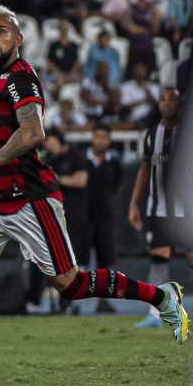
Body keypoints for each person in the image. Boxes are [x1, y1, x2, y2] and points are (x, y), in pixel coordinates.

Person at [0, 6, 188, 384]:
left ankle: (161, 297)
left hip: (30, 198)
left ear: (18, 39)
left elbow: (33, 133)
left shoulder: (21, 78)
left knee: (71, 285)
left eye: (2, 31)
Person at [128, 87, 193, 327]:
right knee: (159, 261)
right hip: (159, 210)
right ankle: (155, 314)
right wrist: (133, 203)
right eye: (162, 99)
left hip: (189, 210)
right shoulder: (151, 135)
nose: (167, 104)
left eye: (172, 100)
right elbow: (144, 170)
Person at [41, 130, 90, 313]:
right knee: (55, 261)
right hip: (54, 218)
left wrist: (58, 179)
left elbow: (81, 180)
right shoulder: (49, 159)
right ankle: (59, 302)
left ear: (60, 141)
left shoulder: (76, 156)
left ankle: (72, 300)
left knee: (73, 260)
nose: (48, 145)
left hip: (74, 217)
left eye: (51, 141)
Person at [83, 125, 123, 313]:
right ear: (92, 138)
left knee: (104, 262)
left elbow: (118, 185)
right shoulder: (82, 160)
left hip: (105, 218)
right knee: (74, 260)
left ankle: (103, 300)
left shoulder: (113, 163)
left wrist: (109, 202)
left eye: (103, 137)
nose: (99, 140)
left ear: (109, 140)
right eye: (96, 136)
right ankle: (67, 303)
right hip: (82, 218)